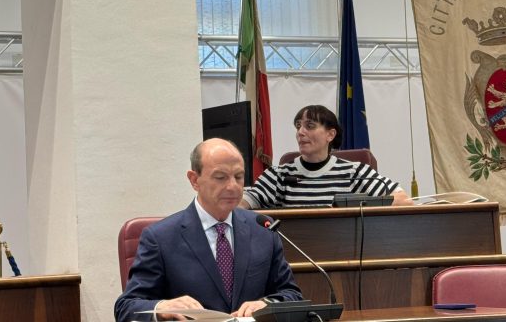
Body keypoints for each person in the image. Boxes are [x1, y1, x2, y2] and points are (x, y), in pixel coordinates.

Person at [114, 138, 302, 322]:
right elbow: (127, 306)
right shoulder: (160, 237)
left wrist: (267, 304)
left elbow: (291, 295)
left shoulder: (263, 229)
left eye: (238, 177)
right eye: (220, 177)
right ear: (194, 180)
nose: (233, 186)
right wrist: (161, 307)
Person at [241, 105, 413, 209]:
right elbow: (243, 204)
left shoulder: (355, 172)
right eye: (298, 126)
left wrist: (348, 208)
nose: (300, 132)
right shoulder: (278, 175)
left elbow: (403, 201)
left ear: (330, 135)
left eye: (309, 126)